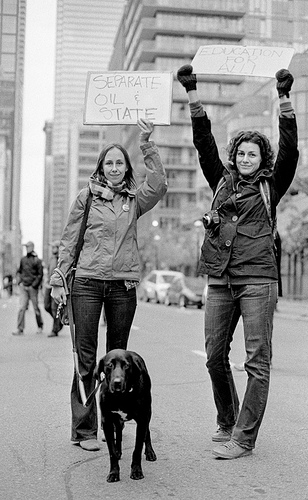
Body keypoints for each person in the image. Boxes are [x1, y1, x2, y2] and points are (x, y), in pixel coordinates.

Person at [177, 65, 298, 459]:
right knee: (214, 356)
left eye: (253, 153)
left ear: (262, 159)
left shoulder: (271, 185)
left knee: (257, 362)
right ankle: (227, 420)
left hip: (259, 280)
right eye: (241, 153)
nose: (246, 158)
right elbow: (203, 143)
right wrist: (192, 92)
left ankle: (243, 439)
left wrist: (284, 99)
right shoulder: (221, 180)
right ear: (234, 157)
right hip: (220, 278)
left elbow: (291, 148)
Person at [50, 118, 167, 452]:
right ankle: (85, 430)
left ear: (125, 168)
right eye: (109, 163)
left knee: (119, 359)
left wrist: (146, 143)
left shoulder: (134, 200)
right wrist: (60, 278)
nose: (115, 168)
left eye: (120, 163)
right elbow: (70, 241)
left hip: (122, 287)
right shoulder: (86, 199)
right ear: (101, 168)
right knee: (86, 359)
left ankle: (114, 420)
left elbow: (158, 185)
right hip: (86, 282)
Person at [12, 241, 44, 335]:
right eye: (26, 247)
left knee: (35, 308)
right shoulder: (23, 259)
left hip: (32, 288)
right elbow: (19, 271)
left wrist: (34, 285)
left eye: (28, 246)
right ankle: (20, 329)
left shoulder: (37, 260)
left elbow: (40, 275)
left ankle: (40, 326)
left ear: (32, 247)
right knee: (22, 308)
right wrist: (19, 281)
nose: (27, 248)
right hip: (24, 287)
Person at [44, 240, 63, 337]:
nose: (52, 249)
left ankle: (55, 330)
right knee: (46, 306)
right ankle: (59, 322)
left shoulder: (61, 259)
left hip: (56, 285)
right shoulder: (51, 258)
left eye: (54, 247)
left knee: (54, 308)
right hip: (48, 285)